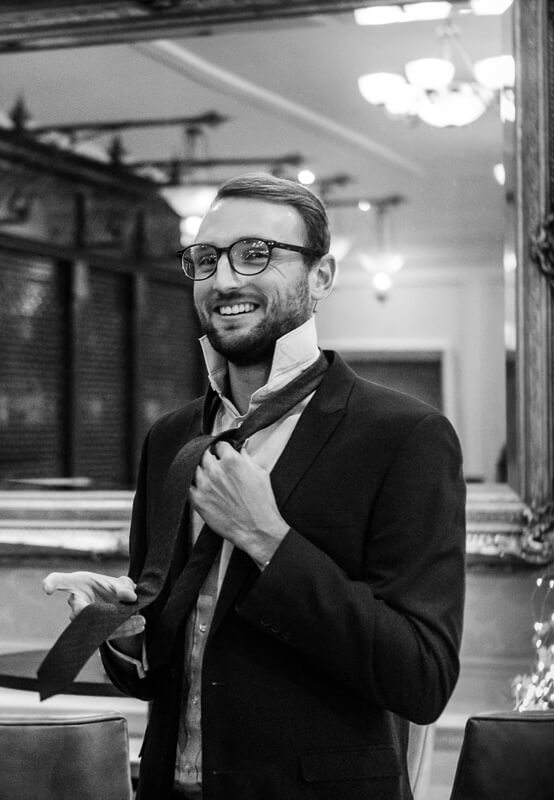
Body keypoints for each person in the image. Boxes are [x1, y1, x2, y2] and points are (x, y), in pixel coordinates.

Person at [43, 172, 466, 800]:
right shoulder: (171, 439)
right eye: (206, 259)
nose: (224, 280)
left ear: (321, 277)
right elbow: (168, 674)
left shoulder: (406, 437)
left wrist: (267, 539)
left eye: (255, 254)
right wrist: (124, 631)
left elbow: (422, 678)